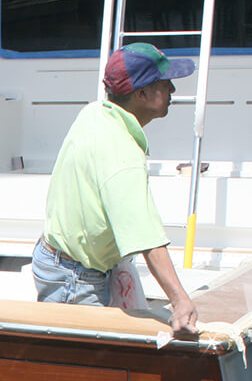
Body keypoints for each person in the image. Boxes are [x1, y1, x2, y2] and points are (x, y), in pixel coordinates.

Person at [33, 42, 199, 334]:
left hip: (57, 261)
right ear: (142, 94)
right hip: (75, 278)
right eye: (164, 83)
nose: (172, 88)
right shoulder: (121, 152)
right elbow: (145, 237)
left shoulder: (96, 113)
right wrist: (180, 300)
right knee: (84, 373)